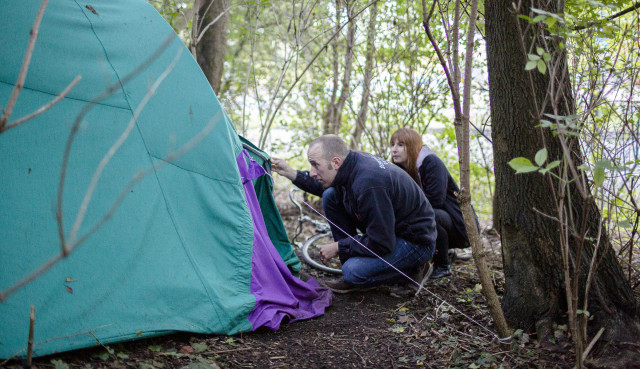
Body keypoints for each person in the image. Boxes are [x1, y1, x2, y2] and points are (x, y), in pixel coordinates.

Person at [272, 134, 437, 293]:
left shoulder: (368, 184)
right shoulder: (350, 163)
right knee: (330, 196)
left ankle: (414, 268)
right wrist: (291, 172)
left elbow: (381, 242)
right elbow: (322, 185)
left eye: (316, 165)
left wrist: (339, 247)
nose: (313, 172)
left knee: (353, 271)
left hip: (415, 243)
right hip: (390, 233)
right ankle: (352, 269)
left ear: (336, 162)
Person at [390, 127, 477, 279]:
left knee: (427, 216)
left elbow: (436, 200)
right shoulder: (400, 169)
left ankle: (442, 265)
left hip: (460, 225)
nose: (394, 150)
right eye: (392, 145)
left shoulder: (431, 162)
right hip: (439, 220)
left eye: (401, 145)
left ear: (412, 146)